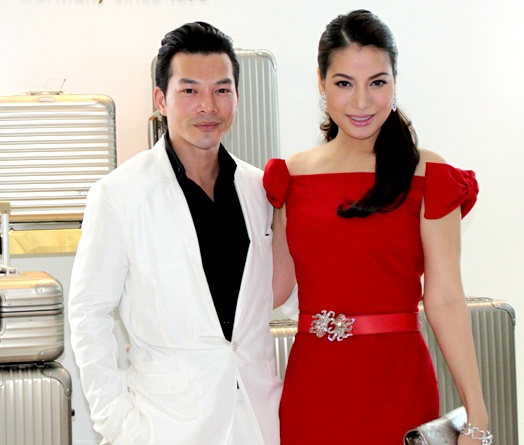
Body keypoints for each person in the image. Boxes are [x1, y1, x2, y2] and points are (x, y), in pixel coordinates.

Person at [263, 9, 491, 445]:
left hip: (399, 383)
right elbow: (270, 291)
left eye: (377, 82)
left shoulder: (429, 174)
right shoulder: (289, 177)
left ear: (395, 82)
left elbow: (445, 298)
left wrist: (476, 414)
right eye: (344, 83)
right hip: (314, 387)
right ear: (321, 83)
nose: (362, 102)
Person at [69, 21, 281, 445]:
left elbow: (272, 298)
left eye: (222, 90)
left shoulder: (259, 190)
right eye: (189, 90)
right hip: (165, 424)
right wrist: (116, 422)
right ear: (161, 100)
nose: (208, 106)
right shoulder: (119, 194)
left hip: (257, 418)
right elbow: (89, 314)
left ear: (237, 97)